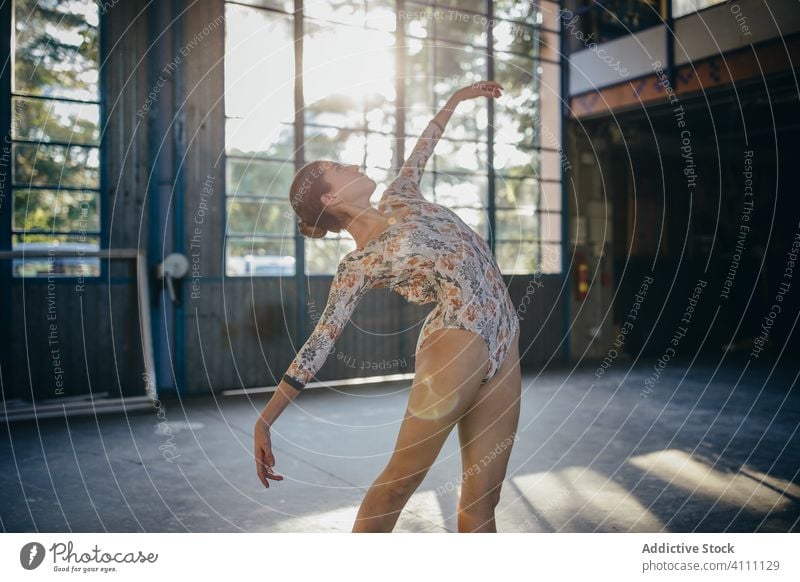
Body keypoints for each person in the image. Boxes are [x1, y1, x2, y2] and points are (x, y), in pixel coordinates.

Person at [254, 81, 522, 533]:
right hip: (456, 339)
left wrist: (456, 98)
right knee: (398, 485)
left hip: (506, 333)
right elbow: (319, 344)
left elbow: (426, 143)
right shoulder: (359, 264)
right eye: (341, 167)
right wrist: (265, 421)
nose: (354, 163)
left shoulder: (402, 192)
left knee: (481, 506)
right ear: (330, 197)